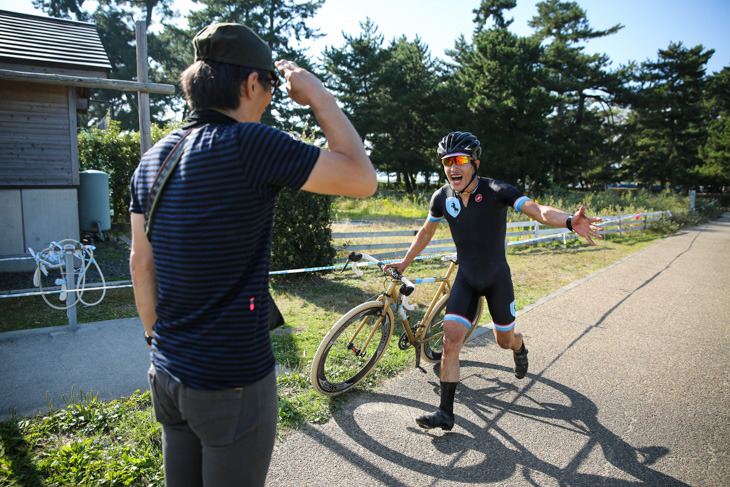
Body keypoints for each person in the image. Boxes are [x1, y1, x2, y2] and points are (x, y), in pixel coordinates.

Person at [128, 23, 377, 487]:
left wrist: (155, 342)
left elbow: (141, 266)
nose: (269, 101)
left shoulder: (153, 158)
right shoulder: (249, 144)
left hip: (166, 372)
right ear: (249, 83)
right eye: (270, 89)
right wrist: (320, 97)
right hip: (231, 381)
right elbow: (363, 178)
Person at [384, 131, 603, 432]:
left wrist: (568, 221)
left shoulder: (497, 190)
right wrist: (404, 262)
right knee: (450, 341)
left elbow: (537, 210)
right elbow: (426, 232)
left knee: (504, 340)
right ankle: (445, 413)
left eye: (460, 160)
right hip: (467, 278)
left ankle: (519, 346)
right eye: (447, 162)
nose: (452, 167)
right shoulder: (441, 197)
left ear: (474, 163)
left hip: (497, 278)